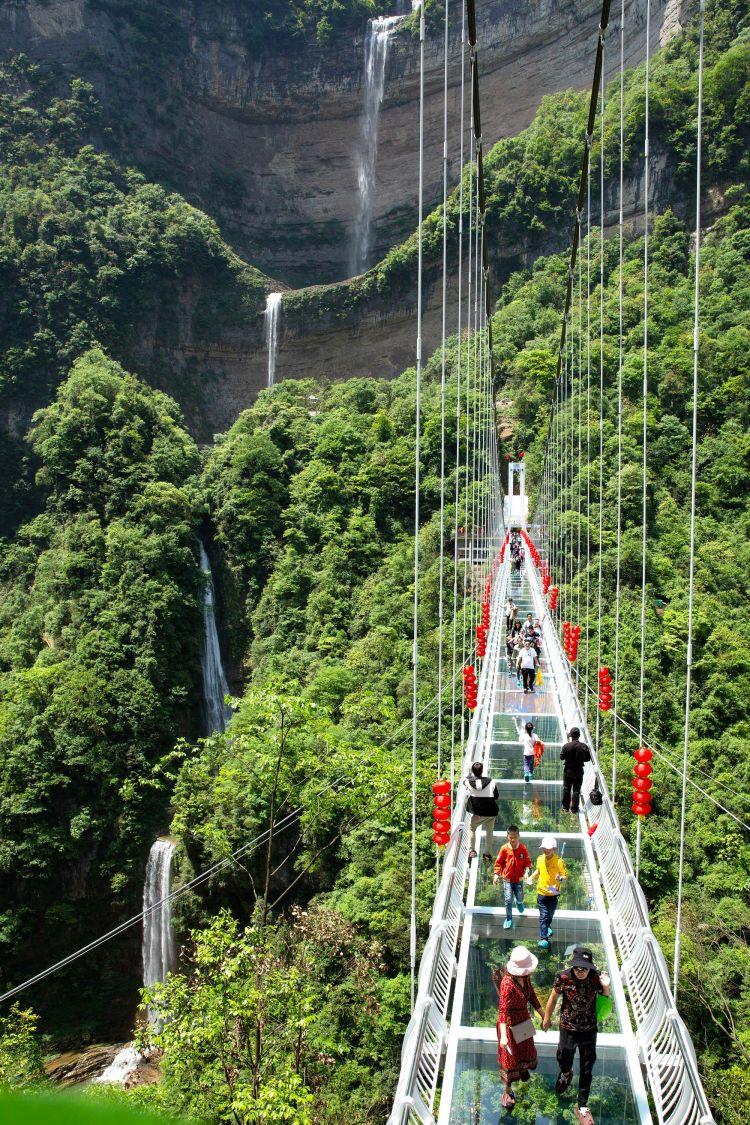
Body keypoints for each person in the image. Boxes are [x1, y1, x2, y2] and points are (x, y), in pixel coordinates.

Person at [542, 946, 612, 1125]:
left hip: (589, 1029)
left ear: (590, 968)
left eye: (584, 968)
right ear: (573, 966)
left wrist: (606, 987)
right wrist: (547, 1017)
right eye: (577, 968)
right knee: (563, 1055)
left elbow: (605, 1002)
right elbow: (553, 997)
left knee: (587, 1067)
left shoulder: (596, 978)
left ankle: (582, 1107)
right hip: (568, 1026)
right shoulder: (563, 977)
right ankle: (566, 1072)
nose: (580, 971)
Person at [494, 946, 543, 1110]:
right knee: (510, 1059)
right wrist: (503, 1035)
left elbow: (531, 996)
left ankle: (523, 1069)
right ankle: (507, 1091)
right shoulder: (507, 984)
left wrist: (543, 1014)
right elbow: (502, 1010)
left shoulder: (526, 977)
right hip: (509, 1023)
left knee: (527, 1050)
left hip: (523, 1018)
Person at [528, 835, 567, 949]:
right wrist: (531, 877)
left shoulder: (559, 862)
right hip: (542, 892)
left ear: (554, 849)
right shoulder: (540, 858)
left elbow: (565, 877)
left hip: (553, 892)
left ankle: (547, 927)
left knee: (550, 915)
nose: (546, 850)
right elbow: (539, 870)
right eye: (544, 848)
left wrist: (560, 878)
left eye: (548, 849)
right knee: (544, 916)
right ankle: (543, 938)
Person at [493, 825, 532, 929]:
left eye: (515, 837)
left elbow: (528, 863)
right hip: (507, 879)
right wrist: (496, 875)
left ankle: (519, 902)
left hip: (519, 880)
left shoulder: (523, 848)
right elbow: (498, 863)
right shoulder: (504, 849)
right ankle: (509, 918)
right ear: (507, 837)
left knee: (520, 897)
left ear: (519, 836)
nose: (513, 839)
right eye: (511, 837)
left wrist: (526, 872)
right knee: (508, 899)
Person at [463, 761, 499, 863]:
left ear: (473, 772)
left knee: (472, 828)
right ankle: (488, 853)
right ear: (482, 771)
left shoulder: (469, 782)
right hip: (491, 812)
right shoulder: (491, 782)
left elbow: (464, 781)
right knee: (489, 832)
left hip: (478, 814)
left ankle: (472, 850)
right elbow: (496, 796)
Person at [560, 727, 592, 815]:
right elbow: (588, 759)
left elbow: (561, 757)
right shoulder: (584, 746)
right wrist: (580, 760)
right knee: (576, 790)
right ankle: (574, 809)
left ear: (571, 736)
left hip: (568, 770)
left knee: (566, 788)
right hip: (578, 770)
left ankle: (565, 807)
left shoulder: (566, 746)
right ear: (579, 736)